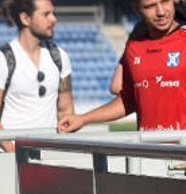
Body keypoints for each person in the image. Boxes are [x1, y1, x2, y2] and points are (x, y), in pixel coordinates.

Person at [60, 0, 186, 133]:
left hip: (181, 150)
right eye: (150, 6)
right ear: (137, 9)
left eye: (165, 2)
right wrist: (84, 118)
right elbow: (128, 100)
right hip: (148, 149)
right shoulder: (134, 47)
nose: (161, 12)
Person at [0, 0, 74, 151]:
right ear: (25, 18)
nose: (54, 19)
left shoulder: (60, 57)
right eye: (46, 14)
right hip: (6, 156)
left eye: (53, 13)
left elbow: (66, 110)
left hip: (48, 155)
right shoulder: (1, 58)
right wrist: (13, 151)